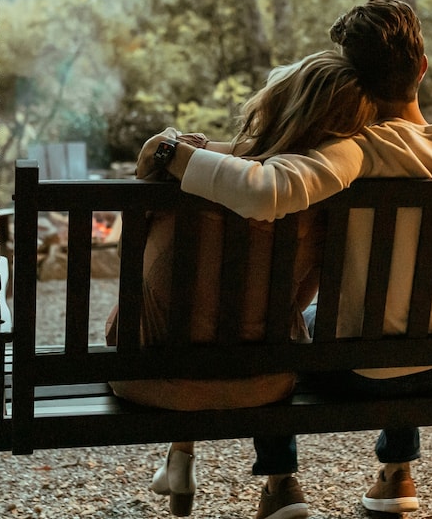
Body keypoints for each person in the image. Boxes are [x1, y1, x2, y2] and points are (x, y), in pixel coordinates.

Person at [137, 0, 432, 519]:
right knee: (416, 315)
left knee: (282, 327)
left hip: (358, 368)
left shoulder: (359, 150)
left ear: (350, 75)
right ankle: (397, 473)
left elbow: (263, 191)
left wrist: (172, 153)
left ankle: (282, 487)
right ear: (421, 67)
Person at [113, 50, 378, 517]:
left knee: (174, 310)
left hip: (150, 377)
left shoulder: (179, 174)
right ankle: (229, 470)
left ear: (283, 100)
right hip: (260, 384)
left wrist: (168, 148)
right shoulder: (321, 202)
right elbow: (295, 305)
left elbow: (135, 275)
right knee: (261, 320)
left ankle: (181, 457)